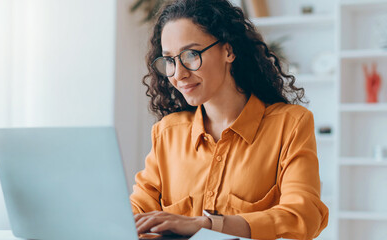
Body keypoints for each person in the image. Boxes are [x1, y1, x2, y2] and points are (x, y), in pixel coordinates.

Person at [129, 0, 329, 239]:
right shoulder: (168, 132)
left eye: (191, 55)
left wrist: (206, 224)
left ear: (228, 51)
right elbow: (136, 215)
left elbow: (302, 215)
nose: (179, 74)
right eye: (170, 60)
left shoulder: (290, 125)